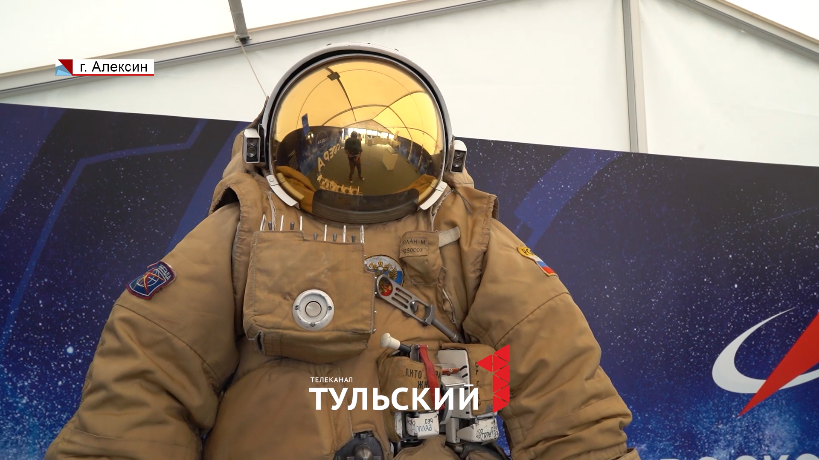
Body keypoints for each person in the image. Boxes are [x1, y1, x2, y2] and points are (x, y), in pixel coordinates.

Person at [46, 43, 640, 460]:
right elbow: (149, 379)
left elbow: (563, 393)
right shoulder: (248, 227)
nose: (361, 155)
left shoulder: (464, 235)